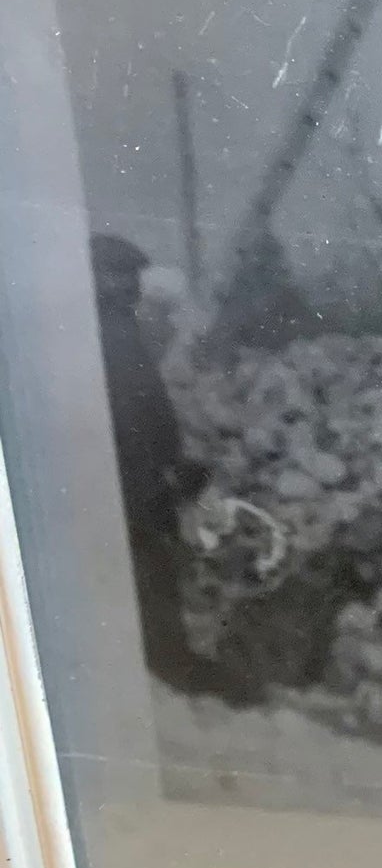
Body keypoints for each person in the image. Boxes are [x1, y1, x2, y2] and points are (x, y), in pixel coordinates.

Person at [89, 230, 212, 690]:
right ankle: (169, 664)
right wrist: (165, 469)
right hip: (133, 476)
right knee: (152, 566)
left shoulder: (112, 330)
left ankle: (157, 660)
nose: (131, 287)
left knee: (143, 568)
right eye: (122, 278)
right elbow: (134, 410)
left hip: (129, 472)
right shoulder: (114, 334)